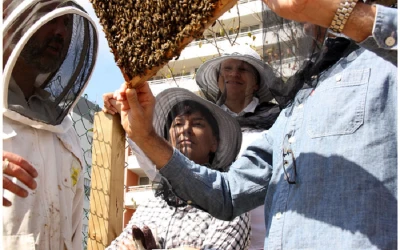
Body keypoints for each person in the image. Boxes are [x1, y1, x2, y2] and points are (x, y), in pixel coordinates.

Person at [112, 0, 397, 249]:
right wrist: (146, 136)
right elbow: (228, 192)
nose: (305, 27)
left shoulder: (387, 65)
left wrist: (343, 13)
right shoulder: (296, 106)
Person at [2, 1, 98, 249]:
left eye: (65, 22)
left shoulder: (65, 131)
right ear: (10, 21)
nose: (61, 32)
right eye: (48, 16)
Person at [104, 88, 250, 250]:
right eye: (178, 123)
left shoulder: (229, 205)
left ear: (214, 143)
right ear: (166, 141)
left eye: (197, 124)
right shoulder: (151, 205)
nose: (185, 130)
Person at [195, 44, 282, 249]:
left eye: (243, 69)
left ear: (255, 83)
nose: (234, 74)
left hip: (269, 237)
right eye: (228, 68)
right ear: (218, 79)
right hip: (211, 238)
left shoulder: (278, 119)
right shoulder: (202, 121)